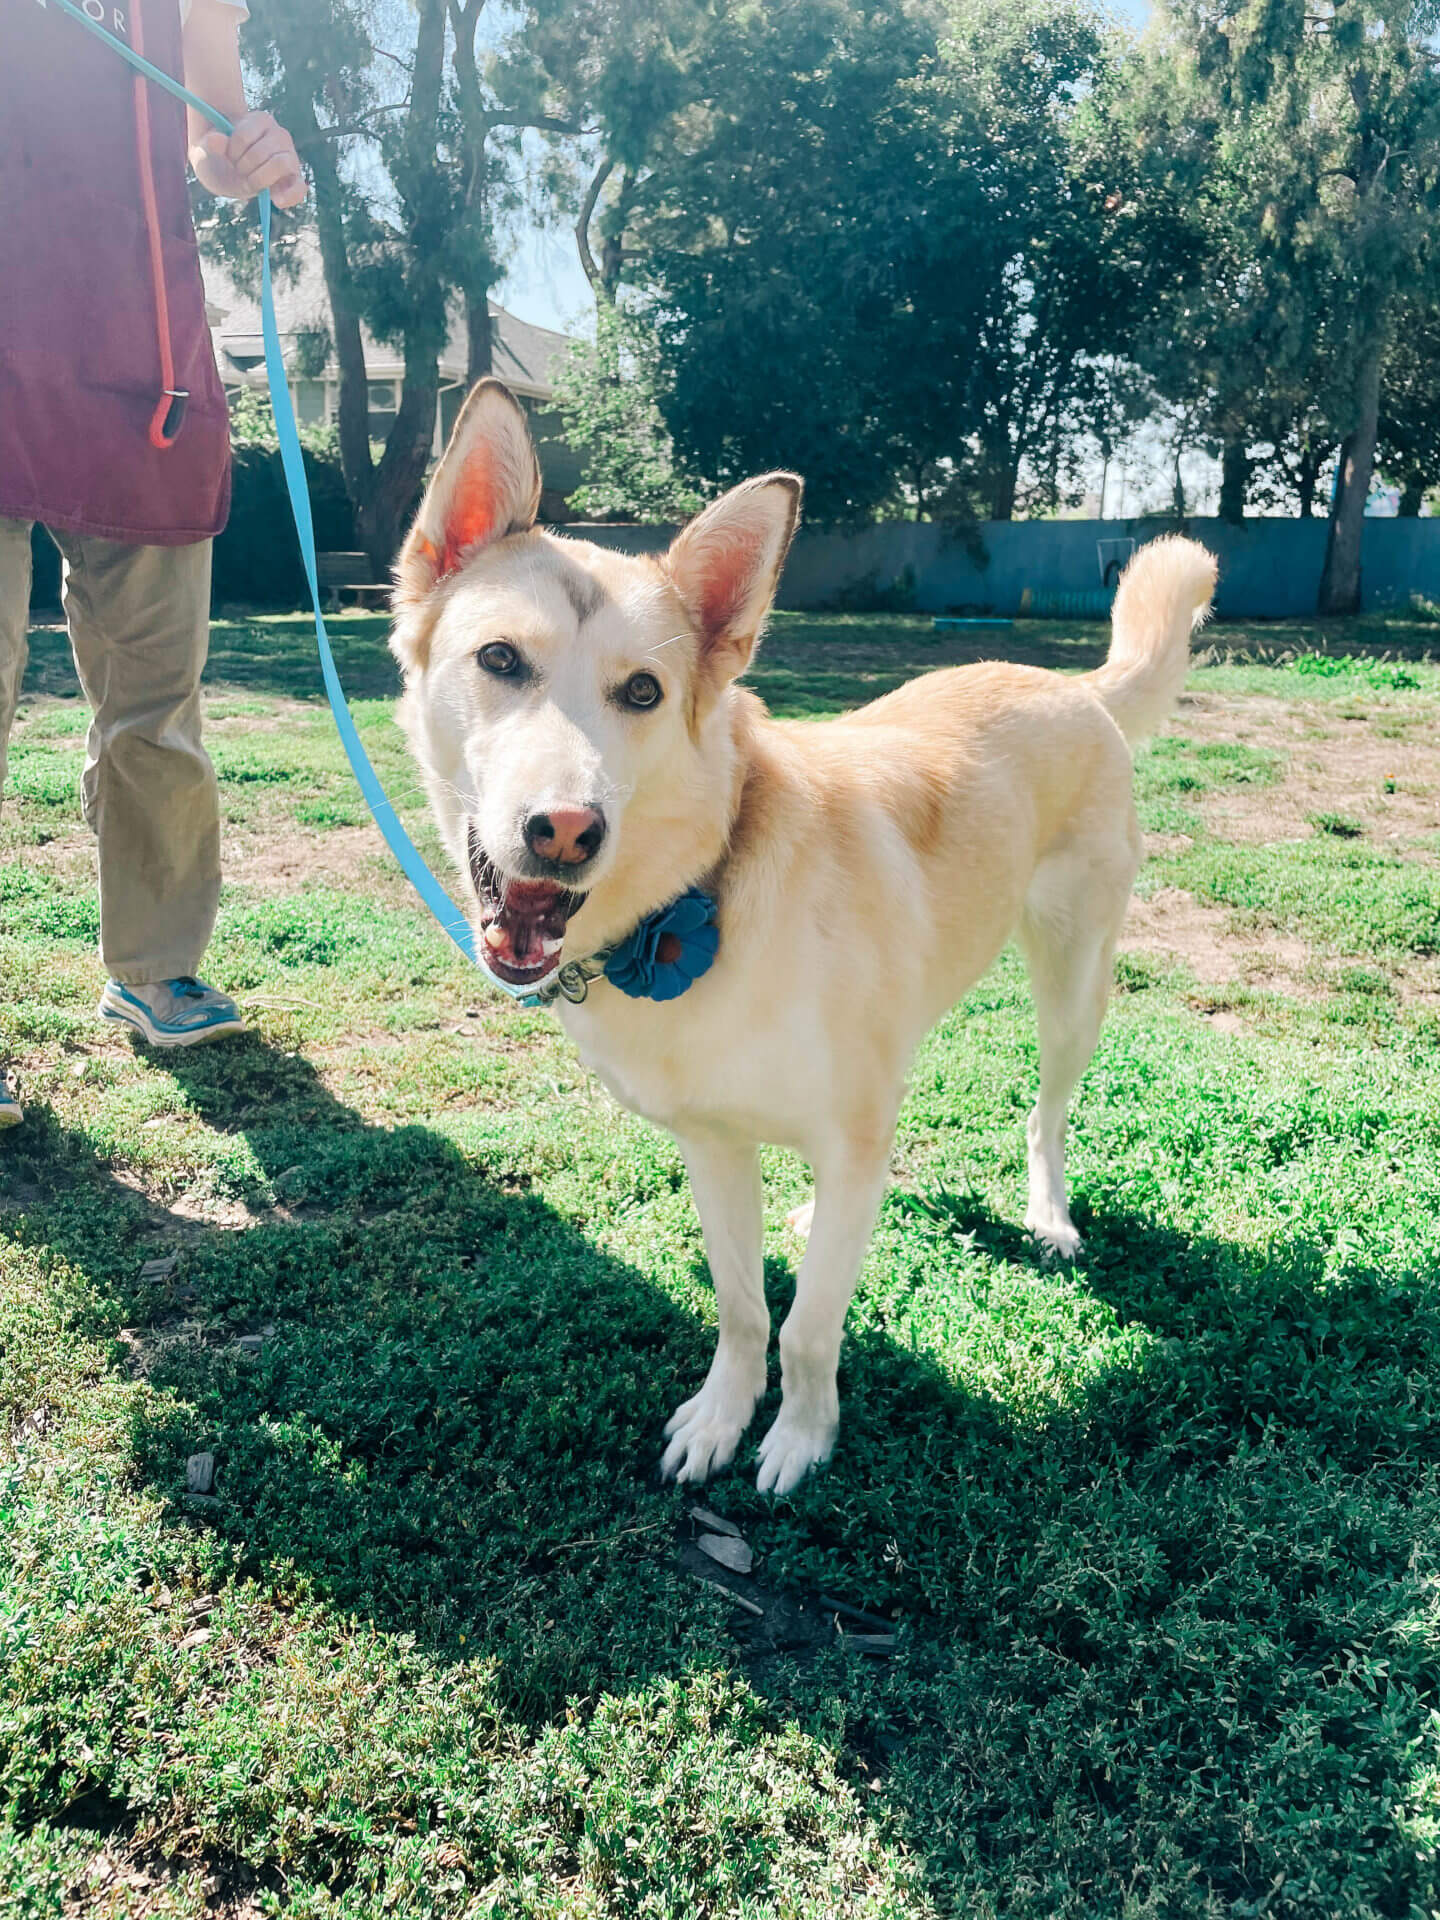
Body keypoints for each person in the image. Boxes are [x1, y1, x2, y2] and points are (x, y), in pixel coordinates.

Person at [0, 0, 306, 1129]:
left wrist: (251, 151)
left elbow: (212, 140)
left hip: (144, 373)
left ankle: (155, 967)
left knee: (155, 709)